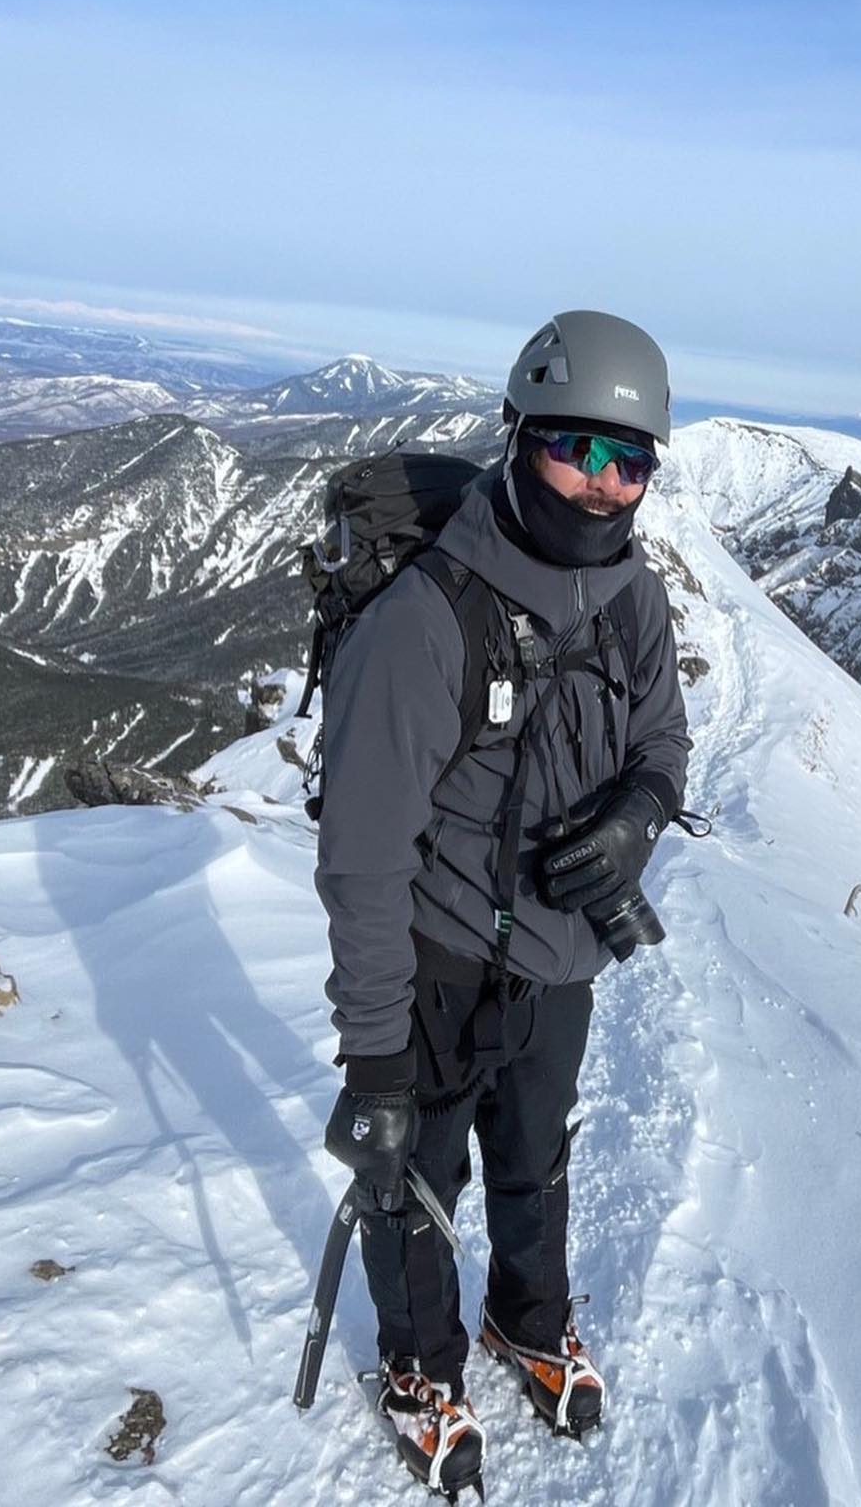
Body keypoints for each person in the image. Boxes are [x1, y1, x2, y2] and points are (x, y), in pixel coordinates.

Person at [314, 311, 692, 1499]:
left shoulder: (632, 600)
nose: (602, 484)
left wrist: (638, 816)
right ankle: (420, 1367)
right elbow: (362, 862)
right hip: (433, 959)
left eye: (629, 461)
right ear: (518, 434)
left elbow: (666, 743)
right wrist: (374, 1067)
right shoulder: (427, 619)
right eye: (578, 447)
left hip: (559, 968)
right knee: (417, 1180)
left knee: (535, 1164)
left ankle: (529, 1321)